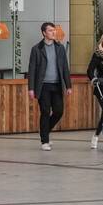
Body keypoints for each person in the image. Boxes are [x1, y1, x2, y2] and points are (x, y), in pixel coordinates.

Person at [26, 22, 71, 151]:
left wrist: (68, 86)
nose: (53, 32)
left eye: (54, 30)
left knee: (58, 111)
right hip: (43, 86)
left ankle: (44, 131)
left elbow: (64, 68)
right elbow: (32, 69)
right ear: (44, 33)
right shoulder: (36, 49)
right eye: (50, 30)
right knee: (45, 112)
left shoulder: (60, 48)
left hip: (57, 85)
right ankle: (44, 140)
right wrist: (31, 88)